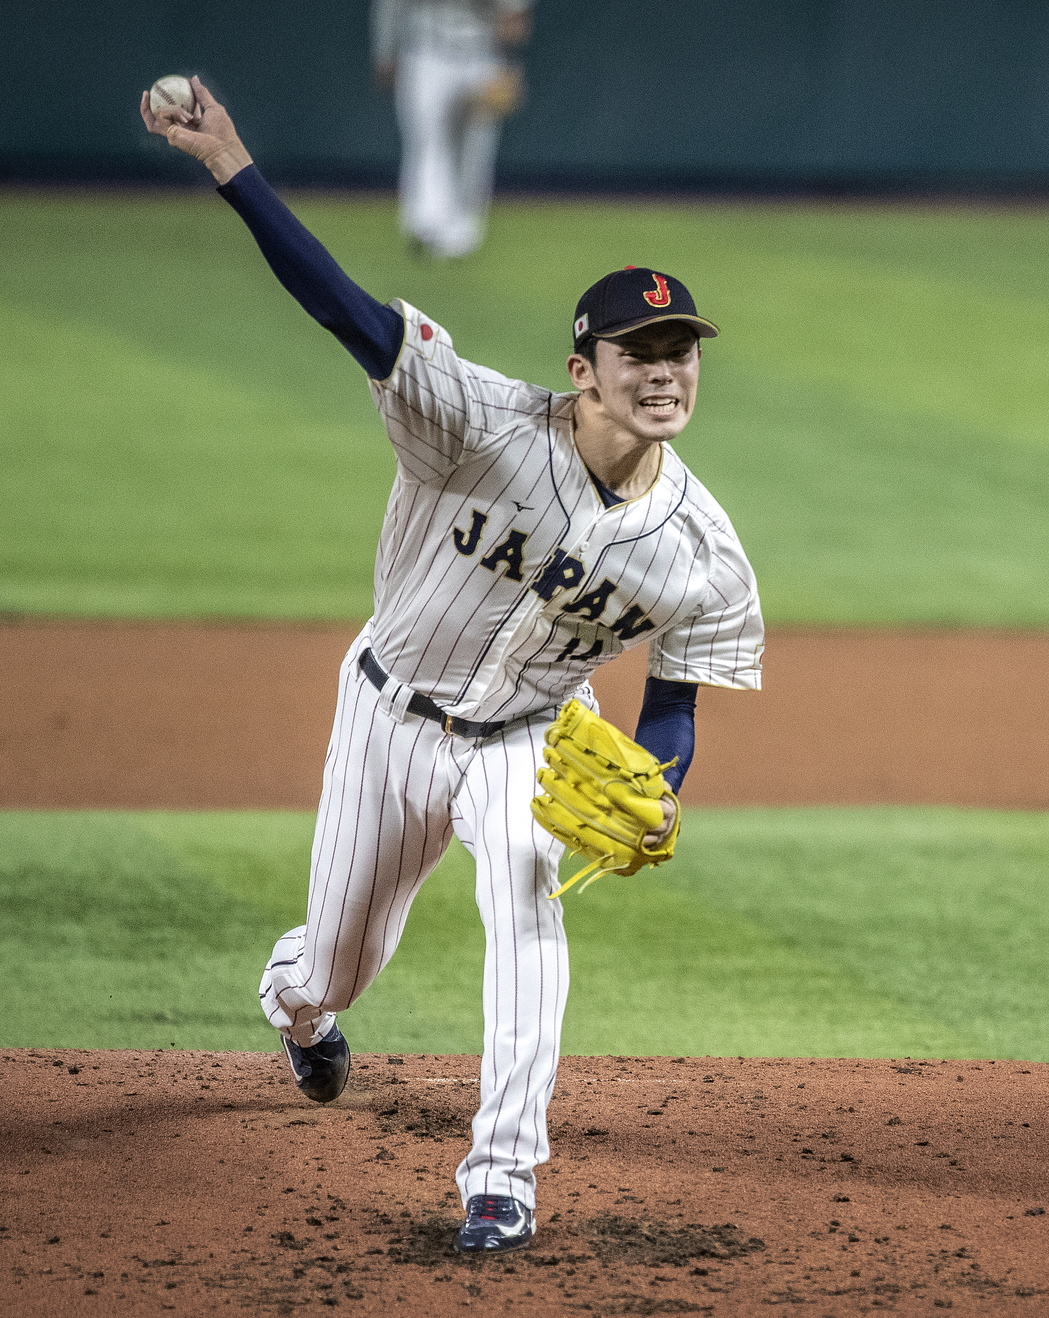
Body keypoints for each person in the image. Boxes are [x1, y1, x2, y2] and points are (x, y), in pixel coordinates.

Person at [144, 77, 762, 1256]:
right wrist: (233, 165)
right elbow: (345, 310)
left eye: (681, 350)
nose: (666, 369)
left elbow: (673, 704)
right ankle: (297, 1009)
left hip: (526, 739)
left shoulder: (704, 550)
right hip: (387, 714)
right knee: (335, 959)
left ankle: (503, 1175)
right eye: (640, 350)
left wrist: (661, 777)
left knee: (526, 903)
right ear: (584, 366)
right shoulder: (471, 419)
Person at [373, 0, 532, 259]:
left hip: (481, 54)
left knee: (474, 145)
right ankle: (426, 224)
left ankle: (462, 231)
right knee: (426, 138)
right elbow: (392, 6)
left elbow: (514, 16)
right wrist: (387, 51)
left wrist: (507, 65)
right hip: (425, 51)